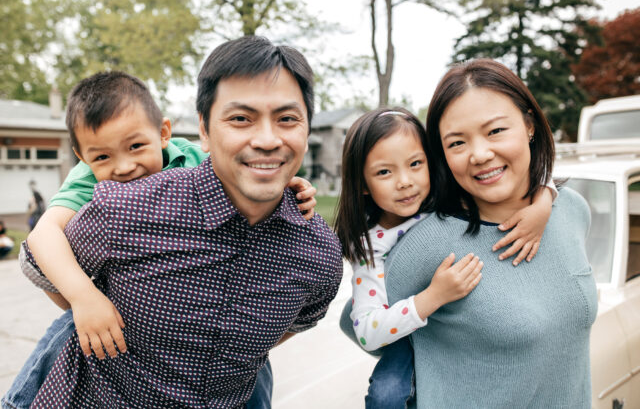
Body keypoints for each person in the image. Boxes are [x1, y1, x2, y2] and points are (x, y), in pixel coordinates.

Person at [13, 35, 341, 408]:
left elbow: (299, 321)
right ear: (204, 129)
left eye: (286, 119)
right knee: (65, 334)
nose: (266, 139)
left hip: (235, 389)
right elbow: (39, 253)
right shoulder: (119, 204)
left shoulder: (319, 254)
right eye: (240, 119)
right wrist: (87, 301)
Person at [385, 59, 597, 408]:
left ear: (529, 124)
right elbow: (363, 325)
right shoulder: (429, 243)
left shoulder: (572, 210)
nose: (480, 154)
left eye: (496, 131)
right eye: (457, 143)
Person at [335, 107, 556, 409]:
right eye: (384, 172)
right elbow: (366, 332)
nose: (404, 181)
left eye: (415, 164)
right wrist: (433, 297)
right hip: (410, 339)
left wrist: (542, 204)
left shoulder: (447, 198)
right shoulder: (370, 246)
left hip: (470, 334)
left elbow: (532, 173)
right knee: (386, 396)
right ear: (361, 183)